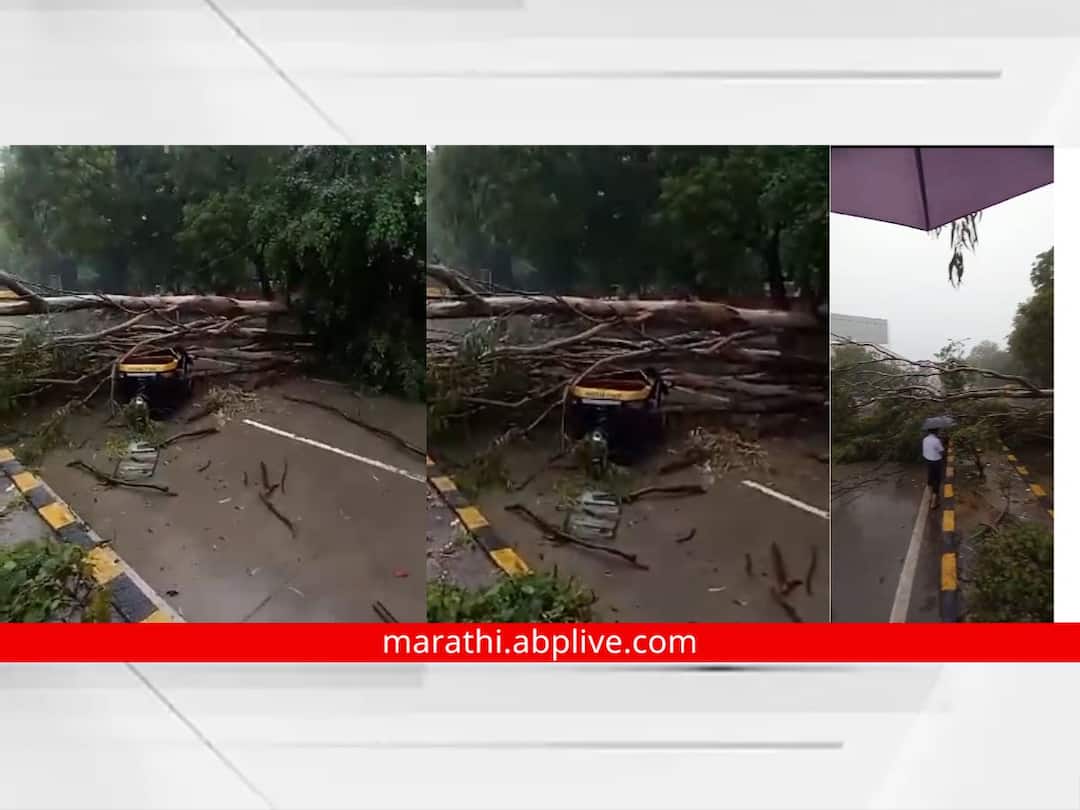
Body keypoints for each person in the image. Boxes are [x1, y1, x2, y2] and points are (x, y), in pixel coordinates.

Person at [923, 427, 946, 508]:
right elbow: (942, 452)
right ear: (936, 431)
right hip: (936, 462)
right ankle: (933, 503)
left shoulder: (925, 439)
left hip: (928, 461)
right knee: (937, 481)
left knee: (930, 479)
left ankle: (930, 497)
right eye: (938, 430)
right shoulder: (936, 440)